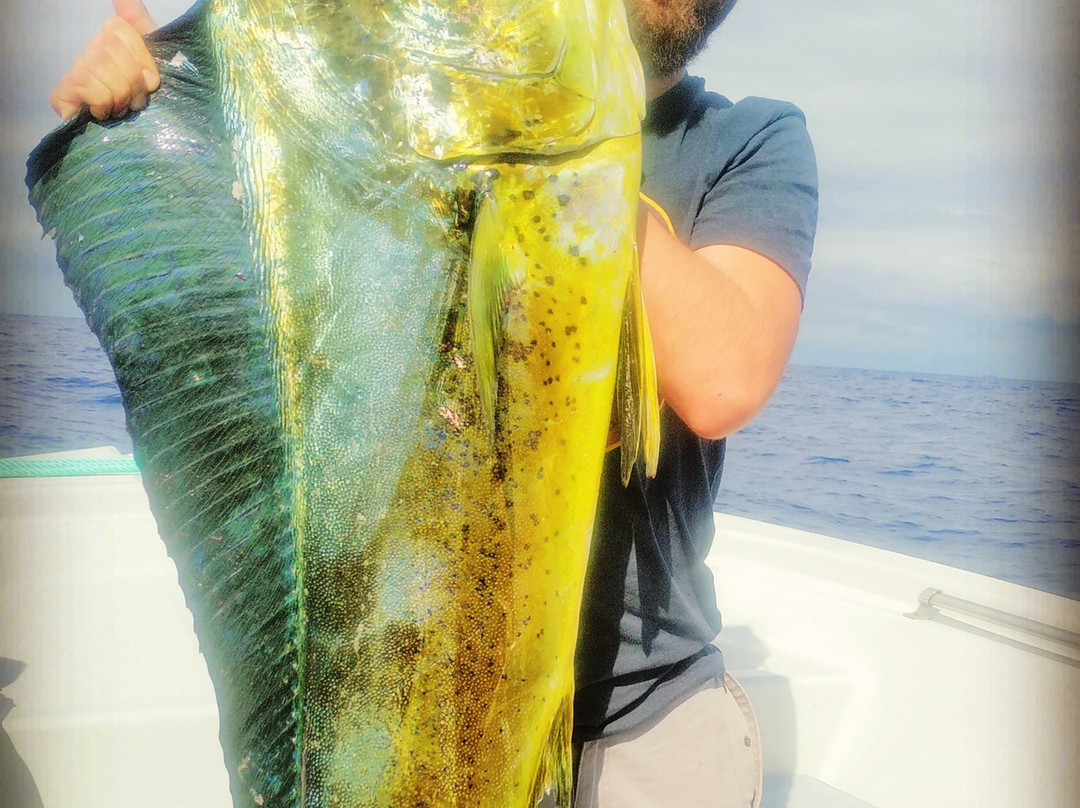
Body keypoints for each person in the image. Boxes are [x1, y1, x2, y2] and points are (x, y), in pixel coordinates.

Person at [50, 1, 817, 806]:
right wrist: (159, 108)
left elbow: (726, 379)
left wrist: (546, 158)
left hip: (646, 718)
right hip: (389, 704)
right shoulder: (378, 122)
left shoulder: (747, 140)